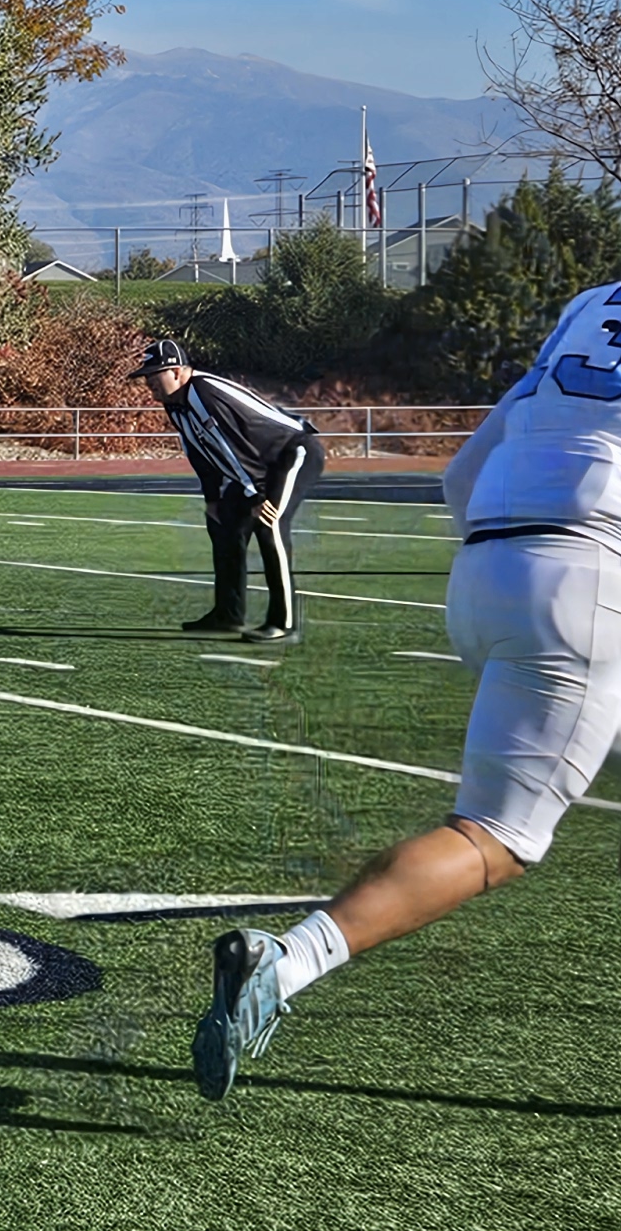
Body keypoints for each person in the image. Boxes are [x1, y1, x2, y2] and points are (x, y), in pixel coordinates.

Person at [192, 281, 621, 1098]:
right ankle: (285, 966)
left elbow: (461, 477)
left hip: (492, 567)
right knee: (499, 835)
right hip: (589, 578)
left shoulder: (593, 304)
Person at [138, 336, 321, 641]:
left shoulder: (203, 391)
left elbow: (232, 444)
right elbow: (199, 451)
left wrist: (259, 494)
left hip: (292, 452)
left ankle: (283, 622)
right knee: (224, 526)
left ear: (177, 372)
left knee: (269, 523)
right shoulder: (175, 404)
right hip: (255, 467)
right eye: (146, 378)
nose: (149, 385)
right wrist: (213, 499)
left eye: (154, 376)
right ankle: (228, 615)